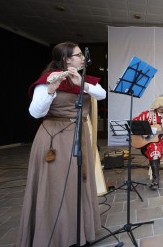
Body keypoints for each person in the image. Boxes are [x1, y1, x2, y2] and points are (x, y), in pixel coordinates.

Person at [17, 42, 107, 247]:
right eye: (78, 55)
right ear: (66, 59)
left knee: (78, 181)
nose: (83, 58)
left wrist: (81, 84)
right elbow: (35, 113)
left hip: (79, 134)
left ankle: (79, 232)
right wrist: (50, 90)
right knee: (57, 186)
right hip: (55, 138)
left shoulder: (84, 79)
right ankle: (56, 235)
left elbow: (101, 94)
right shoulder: (46, 81)